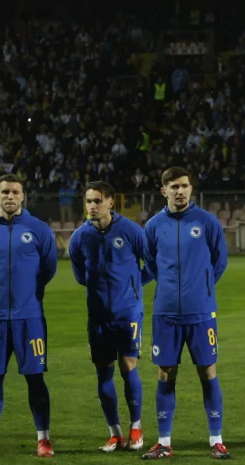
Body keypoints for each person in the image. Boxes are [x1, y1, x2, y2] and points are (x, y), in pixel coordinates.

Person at [142, 167, 231, 460]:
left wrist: (201, 287)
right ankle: (164, 442)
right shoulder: (154, 226)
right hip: (166, 313)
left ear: (191, 189)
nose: (179, 191)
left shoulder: (207, 222)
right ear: (163, 190)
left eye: (184, 185)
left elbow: (219, 261)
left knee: (208, 371)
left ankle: (216, 440)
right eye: (173, 186)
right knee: (166, 372)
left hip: (201, 312)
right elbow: (151, 264)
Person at [0, 174, 58, 459]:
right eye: (4, 191)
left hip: (29, 318)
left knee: (35, 378)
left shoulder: (39, 229)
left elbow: (49, 269)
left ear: (23, 196)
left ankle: (44, 440)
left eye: (15, 191)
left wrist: (29, 295)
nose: (10, 196)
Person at [69, 181, 152, 452]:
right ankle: (115, 433)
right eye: (88, 201)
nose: (92, 206)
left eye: (97, 201)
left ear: (110, 203)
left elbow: (151, 264)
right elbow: (81, 274)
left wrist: (133, 286)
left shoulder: (130, 231)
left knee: (128, 367)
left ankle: (136, 428)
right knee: (103, 371)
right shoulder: (80, 237)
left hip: (128, 312)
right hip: (98, 315)